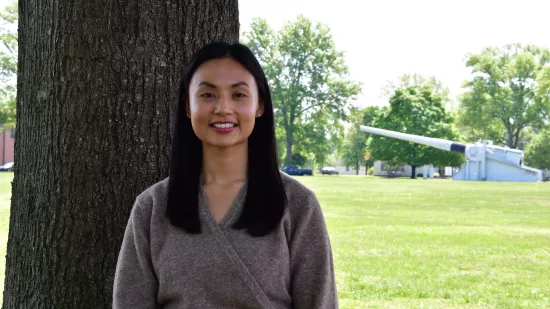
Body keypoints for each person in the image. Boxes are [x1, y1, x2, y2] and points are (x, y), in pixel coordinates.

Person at [113, 42, 338, 309]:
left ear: (259, 106)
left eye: (239, 95)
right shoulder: (151, 207)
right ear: (188, 106)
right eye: (208, 95)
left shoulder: (299, 205)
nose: (223, 108)